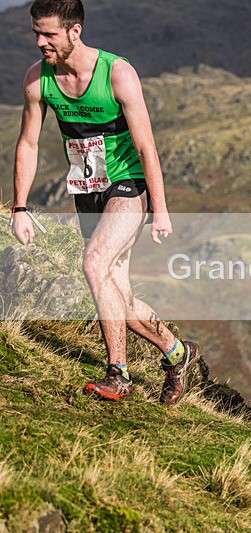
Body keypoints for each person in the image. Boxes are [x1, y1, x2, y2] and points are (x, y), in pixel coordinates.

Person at [11, 0, 199, 404]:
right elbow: (27, 143)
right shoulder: (37, 79)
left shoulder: (117, 73)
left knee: (94, 263)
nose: (40, 42)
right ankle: (176, 353)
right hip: (87, 190)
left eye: (49, 34)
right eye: (36, 34)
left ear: (74, 31)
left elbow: (148, 147)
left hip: (126, 186)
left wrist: (161, 209)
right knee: (118, 293)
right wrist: (20, 207)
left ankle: (118, 374)